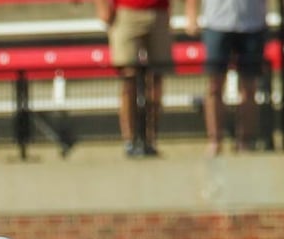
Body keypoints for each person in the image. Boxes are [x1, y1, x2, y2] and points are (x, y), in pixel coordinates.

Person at [184, 0, 267, 155]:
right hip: (217, 22)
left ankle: (245, 141)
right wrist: (191, 15)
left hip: (252, 23)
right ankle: (215, 140)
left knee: (249, 87)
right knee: (214, 86)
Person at [95, 0, 172, 157]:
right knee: (128, 78)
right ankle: (130, 139)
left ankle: (150, 138)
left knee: (156, 79)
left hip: (159, 11)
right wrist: (102, 7)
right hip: (126, 12)